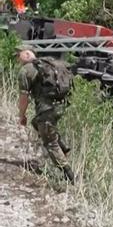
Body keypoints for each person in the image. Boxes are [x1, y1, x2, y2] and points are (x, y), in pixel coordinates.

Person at [17, 48, 75, 183]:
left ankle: (69, 175)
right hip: (61, 105)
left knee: (49, 141)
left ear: (26, 54)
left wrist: (22, 115)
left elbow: (23, 97)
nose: (17, 59)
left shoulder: (25, 70)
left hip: (46, 108)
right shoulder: (49, 63)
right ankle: (63, 147)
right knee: (37, 122)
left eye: (18, 55)